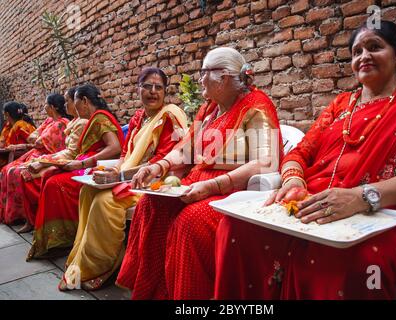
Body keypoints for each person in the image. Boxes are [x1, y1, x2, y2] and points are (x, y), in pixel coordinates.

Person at [214, 20, 396, 300]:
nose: (363, 56)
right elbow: (299, 153)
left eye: (374, 47)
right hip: (310, 205)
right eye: (356, 51)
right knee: (235, 229)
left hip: (378, 215)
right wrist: (293, 180)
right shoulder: (340, 107)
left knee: (353, 263)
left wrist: (361, 197)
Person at [115, 47, 283, 299]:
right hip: (197, 183)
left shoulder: (256, 106)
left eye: (204, 72)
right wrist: (157, 166)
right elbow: (185, 150)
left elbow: (266, 161)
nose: (200, 78)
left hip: (233, 191)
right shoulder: (209, 109)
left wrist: (214, 185)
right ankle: (157, 292)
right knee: (150, 205)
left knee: (189, 223)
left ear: (224, 77)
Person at [58, 67, 188, 291]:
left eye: (159, 87)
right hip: (128, 177)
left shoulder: (169, 115)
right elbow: (126, 153)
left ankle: (102, 265)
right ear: (138, 89)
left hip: (155, 179)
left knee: (104, 202)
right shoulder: (139, 117)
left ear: (166, 91)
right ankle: (83, 258)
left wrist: (119, 175)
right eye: (147, 86)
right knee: (87, 191)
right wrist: (114, 171)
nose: (153, 92)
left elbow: (162, 160)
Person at [27, 84, 124, 260]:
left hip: (99, 166)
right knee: (49, 175)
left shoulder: (100, 118)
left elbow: (115, 147)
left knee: (55, 184)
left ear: (85, 101)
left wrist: (82, 164)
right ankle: (55, 239)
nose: (70, 106)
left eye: (74, 101)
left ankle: (66, 238)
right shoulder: (93, 119)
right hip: (86, 162)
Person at [5, 88, 87, 233]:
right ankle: (25, 217)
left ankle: (32, 219)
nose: (66, 105)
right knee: (10, 170)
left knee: (20, 173)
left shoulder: (65, 123)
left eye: (68, 101)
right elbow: (34, 138)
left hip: (60, 156)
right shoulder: (62, 121)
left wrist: (44, 160)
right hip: (51, 155)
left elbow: (39, 142)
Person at [0, 93, 70, 227]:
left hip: (47, 154)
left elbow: (37, 141)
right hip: (33, 152)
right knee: (5, 170)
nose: (44, 107)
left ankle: (24, 216)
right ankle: (12, 215)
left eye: (45, 104)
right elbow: (33, 138)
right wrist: (37, 138)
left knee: (14, 172)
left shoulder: (62, 124)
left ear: (52, 107)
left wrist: (37, 138)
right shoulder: (49, 121)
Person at [0, 102, 36, 167]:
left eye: (4, 114)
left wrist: (20, 146)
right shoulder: (8, 126)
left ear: (7, 114)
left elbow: (36, 144)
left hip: (21, 159)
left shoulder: (21, 125)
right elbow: (1, 144)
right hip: (7, 157)